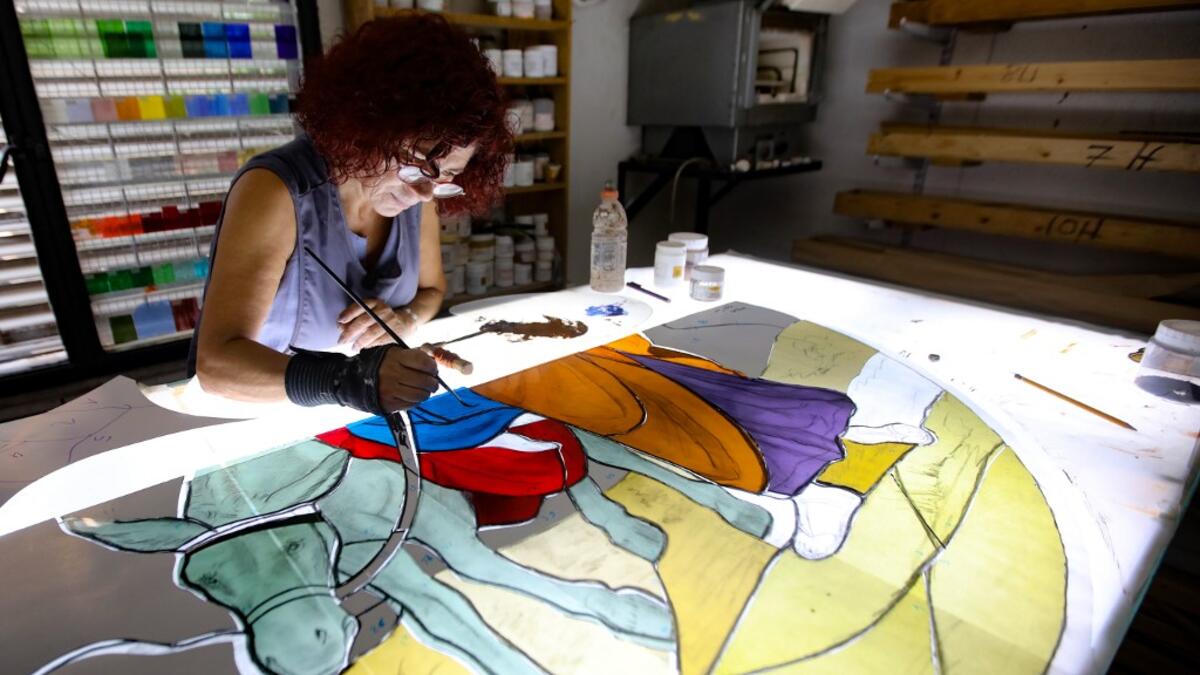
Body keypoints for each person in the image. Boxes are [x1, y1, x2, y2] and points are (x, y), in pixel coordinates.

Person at [189, 16, 511, 414]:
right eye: (417, 166)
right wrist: (347, 380)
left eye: (447, 175)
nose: (427, 192)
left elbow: (431, 292)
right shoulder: (275, 191)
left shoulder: (418, 195)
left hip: (344, 414)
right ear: (367, 129)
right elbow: (216, 365)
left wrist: (404, 320)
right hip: (255, 411)